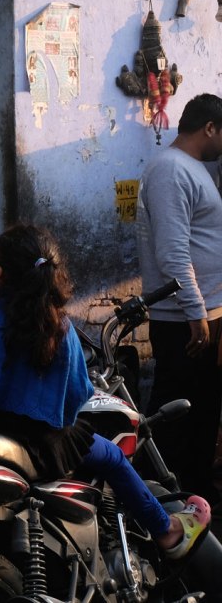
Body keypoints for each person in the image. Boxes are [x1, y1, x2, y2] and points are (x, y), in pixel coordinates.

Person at [0, 224, 209, 559]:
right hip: (40, 447)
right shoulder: (56, 327)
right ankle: (167, 531)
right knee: (111, 454)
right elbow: (74, 403)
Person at [137, 92, 222, 513]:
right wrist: (195, 312)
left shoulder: (195, 168)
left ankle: (196, 494)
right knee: (176, 415)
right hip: (184, 319)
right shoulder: (171, 169)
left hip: (200, 313)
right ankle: (163, 503)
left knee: (202, 410)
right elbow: (173, 252)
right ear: (209, 128)